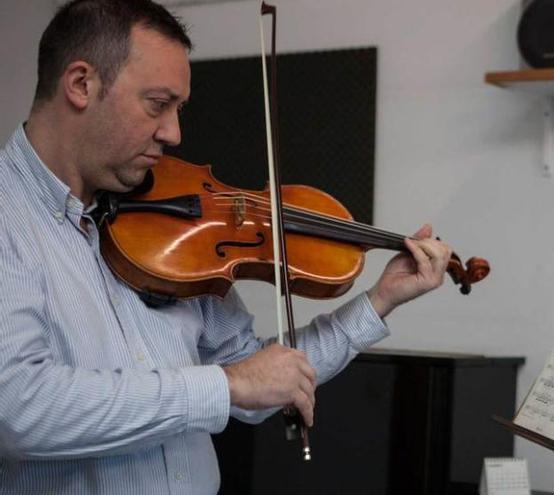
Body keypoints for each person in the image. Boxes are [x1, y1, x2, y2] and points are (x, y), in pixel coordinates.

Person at [0, 1, 452, 493]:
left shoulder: (171, 225)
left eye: (179, 109)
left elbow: (260, 376)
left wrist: (379, 300)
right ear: (81, 85)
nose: (174, 133)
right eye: (157, 103)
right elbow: (19, 407)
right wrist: (226, 385)